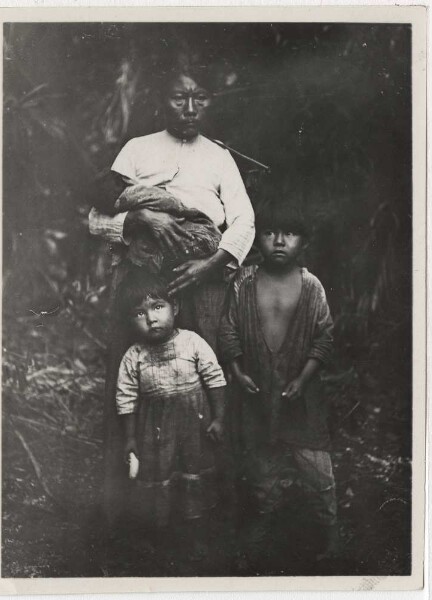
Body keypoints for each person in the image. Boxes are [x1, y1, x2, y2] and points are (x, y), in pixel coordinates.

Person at [88, 64, 255, 523]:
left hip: (202, 277)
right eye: (179, 97)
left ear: (209, 103)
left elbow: (244, 221)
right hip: (142, 279)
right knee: (132, 376)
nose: (189, 107)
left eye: (199, 97)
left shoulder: (220, 158)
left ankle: (203, 508)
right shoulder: (137, 150)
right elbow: (95, 217)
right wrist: (141, 221)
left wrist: (212, 264)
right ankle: (129, 505)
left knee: (201, 377)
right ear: (163, 101)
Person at [218, 195, 338, 565]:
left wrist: (303, 379)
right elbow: (229, 329)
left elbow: (324, 337)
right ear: (257, 240)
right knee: (260, 469)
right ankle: (261, 530)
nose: (280, 242)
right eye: (270, 233)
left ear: (304, 241)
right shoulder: (244, 281)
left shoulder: (312, 286)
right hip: (256, 393)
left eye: (290, 234)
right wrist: (237, 370)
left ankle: (331, 536)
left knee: (317, 470)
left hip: (301, 398)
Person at [115, 267, 226, 558]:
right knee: (160, 479)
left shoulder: (192, 342)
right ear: (130, 321)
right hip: (155, 432)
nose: (151, 318)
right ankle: (162, 538)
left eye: (157, 306)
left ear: (174, 307)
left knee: (192, 475)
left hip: (193, 427)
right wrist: (129, 438)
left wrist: (219, 418)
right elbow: (125, 398)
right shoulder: (134, 356)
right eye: (140, 313)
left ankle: (195, 534)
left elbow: (215, 379)